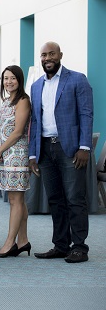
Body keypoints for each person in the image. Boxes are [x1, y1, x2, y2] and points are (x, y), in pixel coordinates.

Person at [29, 41, 93, 264]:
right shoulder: (36, 86)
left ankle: (80, 247)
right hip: (45, 149)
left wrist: (85, 147)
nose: (48, 58)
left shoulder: (77, 79)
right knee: (55, 199)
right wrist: (32, 154)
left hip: (71, 149)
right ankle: (61, 245)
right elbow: (34, 121)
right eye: (44, 55)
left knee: (75, 198)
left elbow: (86, 114)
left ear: (60, 55)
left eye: (52, 54)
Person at [0, 65, 32, 258]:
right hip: (5, 154)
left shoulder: (23, 101)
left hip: (16, 153)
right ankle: (23, 241)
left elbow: (18, 132)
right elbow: (1, 128)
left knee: (15, 200)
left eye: (13, 78)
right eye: (6, 78)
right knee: (17, 200)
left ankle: (10, 243)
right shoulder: (6, 101)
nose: (9, 81)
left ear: (20, 80)